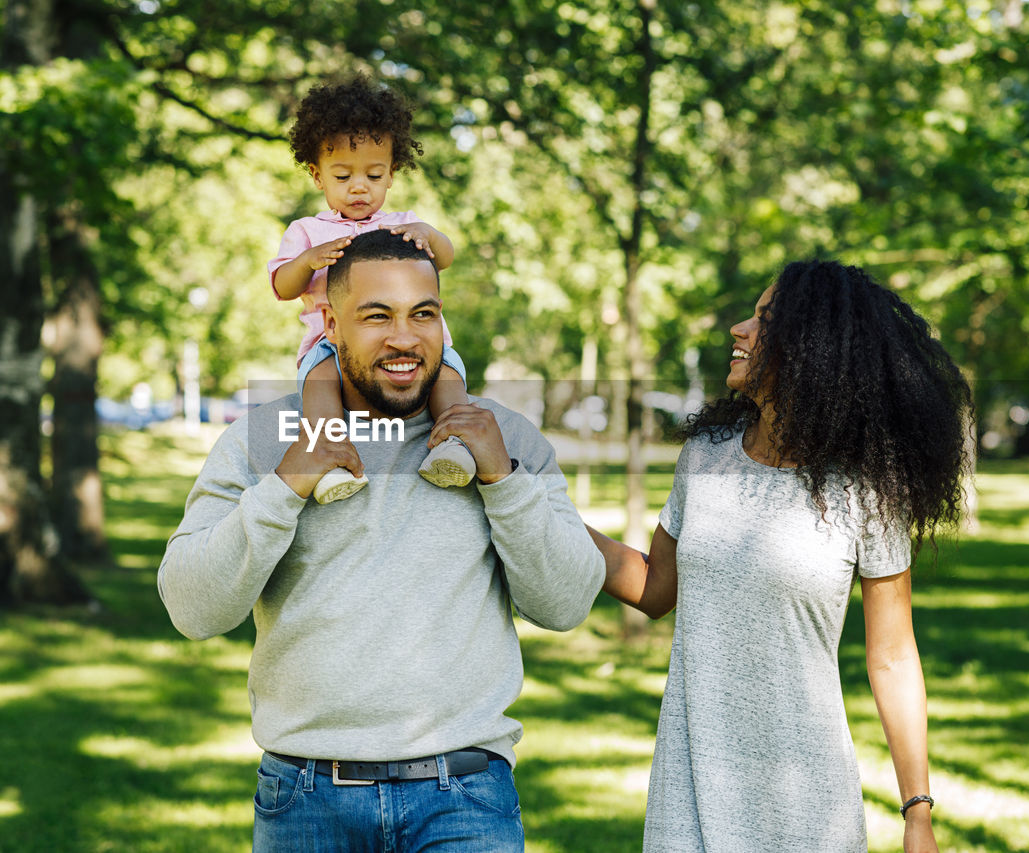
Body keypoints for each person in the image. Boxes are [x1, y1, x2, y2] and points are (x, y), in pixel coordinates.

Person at [159, 229, 605, 851]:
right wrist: (286, 485)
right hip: (306, 801)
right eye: (377, 317)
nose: (405, 338)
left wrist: (502, 479)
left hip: (465, 799)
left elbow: (566, 604)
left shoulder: (501, 437)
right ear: (330, 327)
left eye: (424, 314)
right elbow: (193, 610)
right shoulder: (263, 441)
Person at [590, 260, 970, 852]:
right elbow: (655, 587)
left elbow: (892, 657)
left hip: (807, 806)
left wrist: (916, 811)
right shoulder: (706, 454)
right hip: (689, 794)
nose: (739, 329)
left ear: (811, 348)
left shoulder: (868, 486)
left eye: (765, 320)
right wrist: (539, 512)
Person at [269, 72, 476, 504]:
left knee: (448, 377)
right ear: (317, 175)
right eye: (343, 175)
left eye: (374, 175)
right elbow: (282, 286)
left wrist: (429, 233)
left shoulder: (402, 224)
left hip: (407, 339)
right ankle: (328, 458)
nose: (359, 186)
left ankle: (455, 444)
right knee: (320, 386)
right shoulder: (307, 231)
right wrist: (307, 261)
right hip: (331, 345)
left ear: (391, 174)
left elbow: (447, 256)